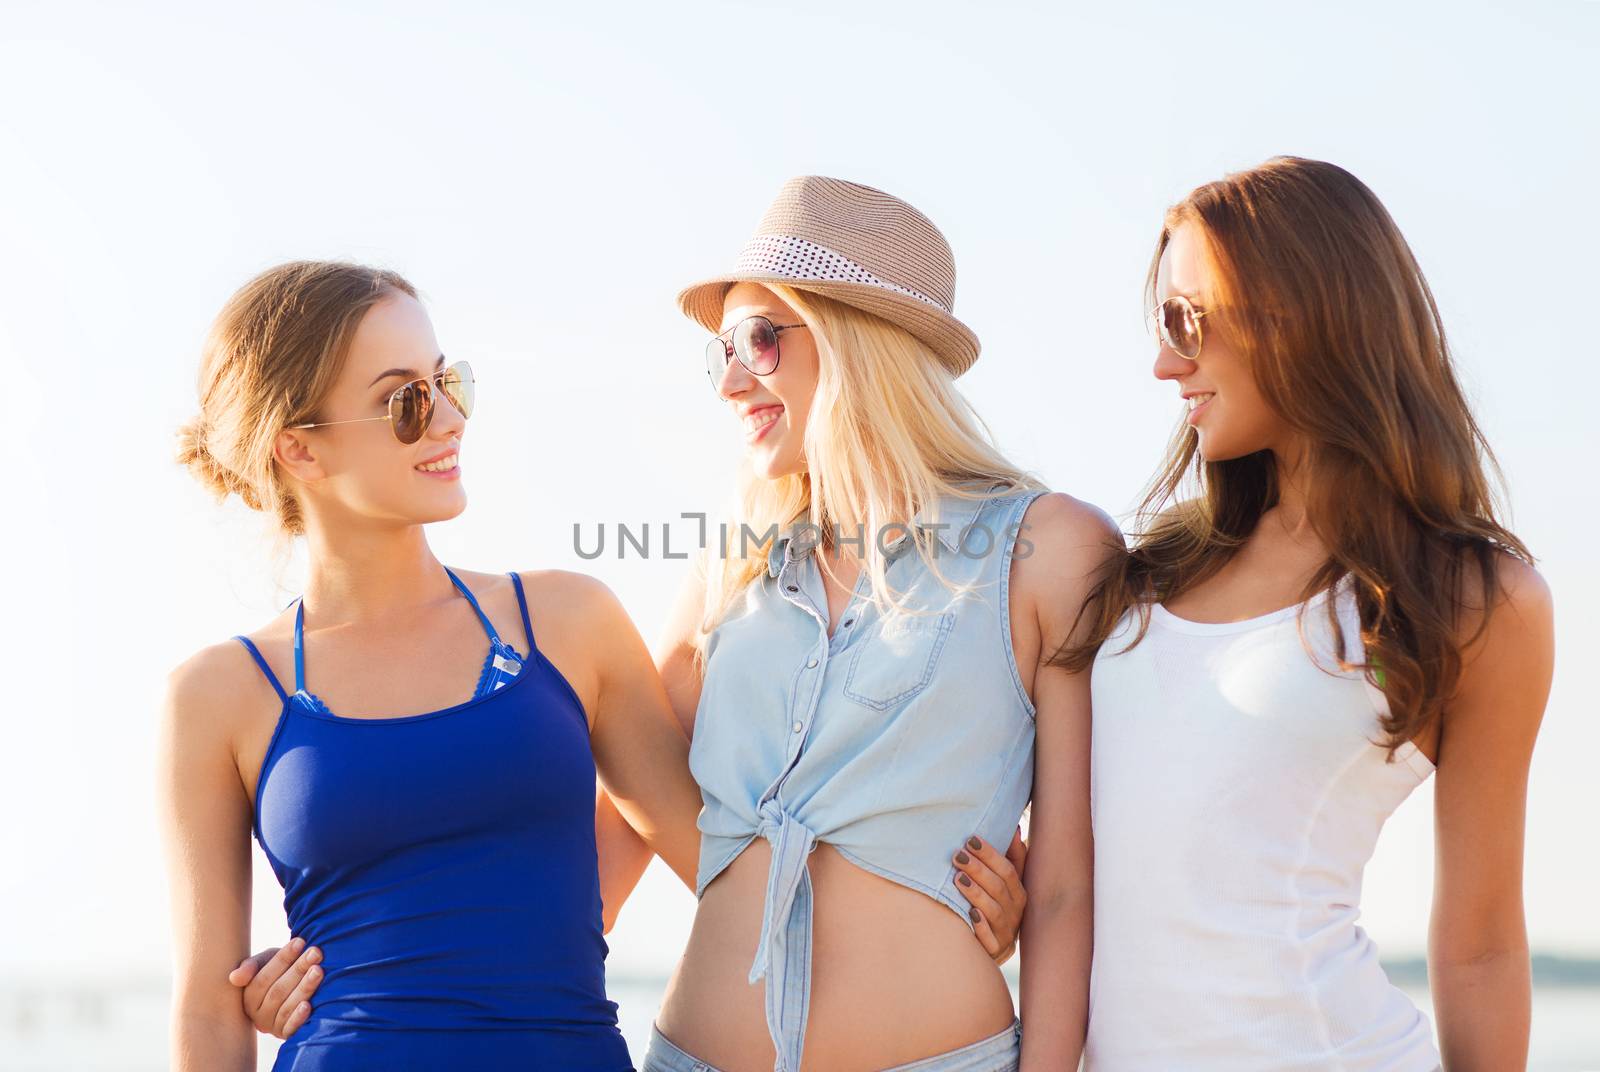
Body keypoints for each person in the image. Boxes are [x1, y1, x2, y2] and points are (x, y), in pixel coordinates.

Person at [1056, 157, 1554, 1071]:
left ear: (1300, 310)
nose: (1164, 362)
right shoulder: (1141, 578)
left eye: (1184, 320)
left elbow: (1481, 945)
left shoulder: (1476, 601)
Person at [161, 261, 705, 1071]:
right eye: (405, 401)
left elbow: (725, 865)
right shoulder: (217, 694)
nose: (450, 418)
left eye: (448, 382)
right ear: (299, 450)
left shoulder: (567, 621)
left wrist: (947, 919)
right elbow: (209, 1012)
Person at [632, 176, 1111, 1072]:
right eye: (722, 350)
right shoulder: (729, 561)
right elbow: (629, 799)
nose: (731, 377)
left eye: (760, 340)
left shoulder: (1050, 548)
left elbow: (1063, 889)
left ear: (859, 345)